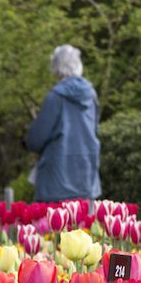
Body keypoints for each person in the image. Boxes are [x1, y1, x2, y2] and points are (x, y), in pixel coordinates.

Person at [25, 45, 101, 202]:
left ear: (57, 69)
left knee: (54, 225)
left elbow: (35, 140)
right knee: (82, 224)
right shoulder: (91, 96)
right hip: (86, 176)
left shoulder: (56, 97)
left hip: (56, 179)